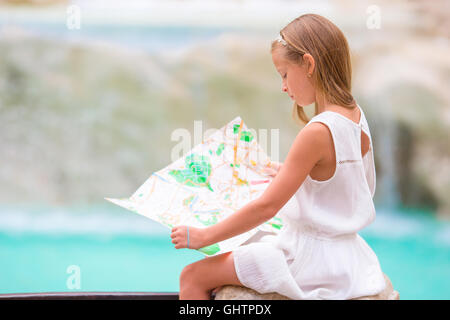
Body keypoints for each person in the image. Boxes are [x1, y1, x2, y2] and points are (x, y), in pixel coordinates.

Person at [170, 13, 386, 300]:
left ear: (308, 64)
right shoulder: (355, 115)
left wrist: (203, 236)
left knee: (193, 276)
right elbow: (342, 176)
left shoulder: (317, 131)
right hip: (347, 256)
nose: (283, 86)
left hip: (308, 261)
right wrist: (294, 173)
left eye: (284, 74)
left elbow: (266, 208)